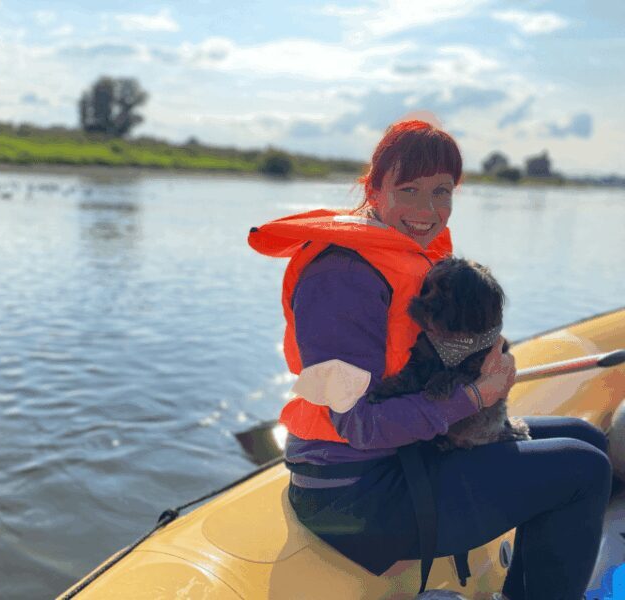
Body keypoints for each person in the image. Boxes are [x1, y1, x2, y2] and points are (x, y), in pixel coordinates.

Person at [248, 119, 612, 600]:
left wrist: (485, 369)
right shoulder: (340, 280)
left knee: (585, 436)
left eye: (442, 191)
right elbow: (360, 426)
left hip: (403, 455)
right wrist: (477, 396)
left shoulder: (397, 253)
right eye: (409, 189)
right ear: (374, 190)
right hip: (356, 498)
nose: (428, 209)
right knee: (583, 470)